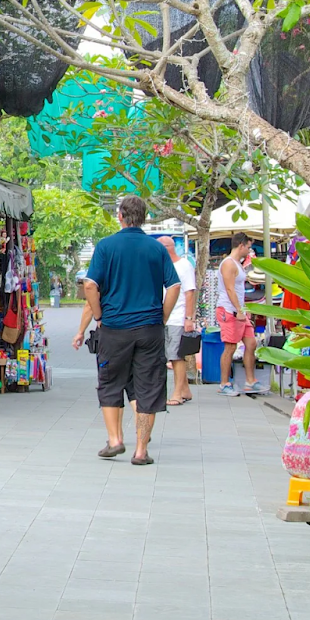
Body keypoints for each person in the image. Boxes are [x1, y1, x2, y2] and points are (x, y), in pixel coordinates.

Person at [80, 196, 181, 466]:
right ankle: (141, 451)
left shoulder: (106, 246)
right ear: (145, 217)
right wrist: (162, 316)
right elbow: (174, 286)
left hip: (114, 328)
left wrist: (99, 316)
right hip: (150, 328)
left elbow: (90, 285)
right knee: (148, 387)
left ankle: (115, 440)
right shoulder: (157, 248)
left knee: (110, 383)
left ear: (120, 216)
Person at [216, 233, 264, 396]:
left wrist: (243, 309)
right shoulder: (228, 263)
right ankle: (224, 383)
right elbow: (230, 289)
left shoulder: (237, 263)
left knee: (251, 344)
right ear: (241, 245)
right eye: (248, 247)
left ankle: (250, 381)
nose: (249, 250)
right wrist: (238, 310)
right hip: (229, 310)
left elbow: (238, 289)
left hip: (239, 310)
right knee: (230, 346)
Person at [159, 237, 199, 406]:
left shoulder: (184, 265)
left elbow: (190, 292)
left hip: (177, 316)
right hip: (164, 316)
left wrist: (189, 318)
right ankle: (185, 390)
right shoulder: (162, 265)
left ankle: (177, 393)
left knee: (176, 356)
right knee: (170, 354)